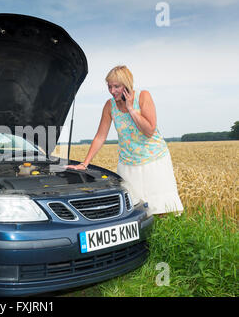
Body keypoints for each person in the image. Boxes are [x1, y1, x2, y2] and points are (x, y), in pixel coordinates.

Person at [66, 65, 183, 217]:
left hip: (154, 161)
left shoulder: (143, 97)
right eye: (109, 87)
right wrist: (84, 163)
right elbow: (100, 136)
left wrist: (131, 109)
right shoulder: (109, 106)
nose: (112, 91)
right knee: (135, 212)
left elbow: (149, 131)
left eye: (117, 86)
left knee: (162, 211)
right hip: (128, 164)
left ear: (126, 85)